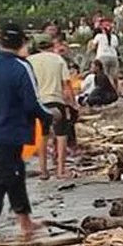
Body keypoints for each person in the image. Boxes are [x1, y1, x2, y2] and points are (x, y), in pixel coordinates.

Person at [0, 25, 54, 246]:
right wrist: (49, 116)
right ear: (22, 44)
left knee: (16, 171)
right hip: (11, 131)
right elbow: (32, 103)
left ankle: (24, 220)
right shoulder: (21, 67)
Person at [28, 36, 75, 179]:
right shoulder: (58, 59)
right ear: (51, 45)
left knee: (43, 136)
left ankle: (43, 170)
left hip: (39, 102)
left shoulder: (30, 61)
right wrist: (73, 104)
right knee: (61, 135)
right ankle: (61, 170)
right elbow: (66, 85)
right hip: (56, 100)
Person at [89, 20, 121, 86]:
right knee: (113, 76)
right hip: (113, 57)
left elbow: (93, 46)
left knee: (104, 76)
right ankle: (115, 91)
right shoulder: (114, 37)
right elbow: (116, 47)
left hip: (102, 57)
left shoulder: (99, 36)